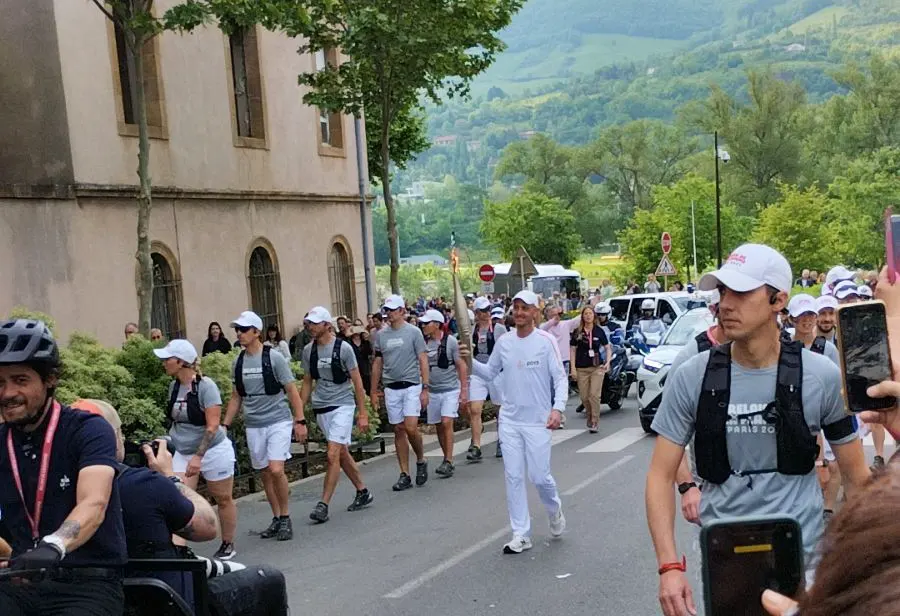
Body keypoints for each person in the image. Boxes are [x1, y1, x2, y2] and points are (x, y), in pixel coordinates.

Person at [645, 244, 872, 616]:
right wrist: (669, 567)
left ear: (778, 300)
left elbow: (857, 476)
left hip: (805, 561)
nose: (726, 304)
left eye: (741, 292)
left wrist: (869, 562)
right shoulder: (692, 376)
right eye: (722, 292)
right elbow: (658, 475)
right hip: (726, 562)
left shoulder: (821, 376)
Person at [0, 319, 126, 615]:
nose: (7, 393)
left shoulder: (87, 430)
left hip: (85, 585)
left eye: (20, 380)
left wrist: (55, 544)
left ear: (50, 379)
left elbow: (94, 503)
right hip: (17, 584)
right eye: (0, 383)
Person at [69, 399, 221, 609]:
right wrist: (169, 477)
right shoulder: (145, 484)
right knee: (265, 579)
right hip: (158, 602)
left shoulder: (43, 493)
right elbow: (207, 528)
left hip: (89, 600)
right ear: (113, 437)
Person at [463, 290, 567, 554]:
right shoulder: (505, 342)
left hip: (537, 421)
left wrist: (558, 408)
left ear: (535, 312)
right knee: (513, 476)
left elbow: (560, 378)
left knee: (540, 477)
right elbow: (489, 372)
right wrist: (468, 361)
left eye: (525, 308)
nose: (519, 312)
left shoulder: (545, 341)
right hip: (509, 419)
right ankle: (521, 533)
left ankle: (554, 510)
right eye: (516, 308)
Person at [223, 311, 307, 542]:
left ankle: (286, 516)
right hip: (254, 423)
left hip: (278, 420)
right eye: (237, 329)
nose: (239, 333)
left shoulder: (274, 357)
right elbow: (235, 397)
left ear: (256, 332)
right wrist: (224, 425)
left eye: (243, 329)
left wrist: (299, 421)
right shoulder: (238, 362)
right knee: (265, 473)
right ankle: (277, 517)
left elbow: (291, 390)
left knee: (276, 469)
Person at [154, 339, 237, 560]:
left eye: (167, 359)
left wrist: (199, 457)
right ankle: (177, 551)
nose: (164, 362)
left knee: (223, 498)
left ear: (181, 362)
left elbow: (212, 426)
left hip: (212, 450)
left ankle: (228, 543)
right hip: (182, 449)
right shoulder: (174, 386)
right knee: (178, 498)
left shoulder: (206, 386)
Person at [299, 307, 373, 523]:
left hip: (342, 405)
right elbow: (307, 381)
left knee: (332, 454)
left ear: (326, 325)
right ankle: (362, 491)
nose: (310, 327)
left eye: (314, 323)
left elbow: (358, 382)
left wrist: (362, 413)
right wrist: (298, 413)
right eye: (308, 323)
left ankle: (323, 504)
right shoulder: (308, 350)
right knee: (341, 453)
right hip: (322, 406)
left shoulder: (344, 348)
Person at [371, 295, 430, 491]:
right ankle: (404, 473)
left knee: (411, 427)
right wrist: (373, 391)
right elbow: (378, 362)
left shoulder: (413, 332)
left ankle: (421, 459)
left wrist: (425, 387)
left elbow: (422, 359)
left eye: (393, 310)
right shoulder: (381, 335)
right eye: (387, 310)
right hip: (391, 386)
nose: (389, 313)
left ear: (402, 311)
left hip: (411, 384)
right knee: (398, 429)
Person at [420, 309, 468, 478]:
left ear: (437, 324)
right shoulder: (423, 343)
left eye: (427, 323)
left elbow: (461, 365)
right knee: (439, 425)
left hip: (450, 389)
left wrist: (464, 390)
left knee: (447, 422)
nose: (424, 326)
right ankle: (445, 456)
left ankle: (448, 460)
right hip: (433, 391)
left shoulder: (451, 342)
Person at [468, 296, 508, 461]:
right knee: (475, 408)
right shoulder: (471, 330)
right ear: (476, 313)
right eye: (482, 311)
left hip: (496, 372)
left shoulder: (499, 329)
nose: (486, 313)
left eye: (487, 310)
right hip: (478, 371)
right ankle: (476, 445)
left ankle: (502, 440)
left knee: (500, 409)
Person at [569, 306, 611, 433]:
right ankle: (589, 415)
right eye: (585, 314)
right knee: (584, 397)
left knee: (594, 395)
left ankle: (594, 421)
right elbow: (572, 350)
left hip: (597, 367)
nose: (588, 316)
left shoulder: (599, 331)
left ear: (594, 316)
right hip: (582, 368)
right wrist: (573, 369)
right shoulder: (578, 332)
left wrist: (608, 362)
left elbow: (608, 347)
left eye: (590, 313)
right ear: (582, 316)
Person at [348, 326, 373, 393]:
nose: (357, 335)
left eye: (358, 333)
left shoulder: (365, 342)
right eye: (356, 333)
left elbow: (370, 352)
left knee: (367, 385)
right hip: (354, 366)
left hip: (365, 367)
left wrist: (367, 340)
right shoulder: (349, 343)